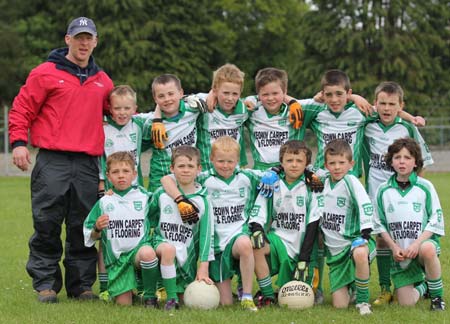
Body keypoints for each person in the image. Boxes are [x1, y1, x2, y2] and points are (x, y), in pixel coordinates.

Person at [8, 16, 114, 303]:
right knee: (48, 222)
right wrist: (18, 143)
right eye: (78, 37)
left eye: (88, 38)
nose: (83, 43)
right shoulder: (45, 73)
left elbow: (119, 115)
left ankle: (81, 286)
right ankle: (46, 284)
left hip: (87, 163)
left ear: (95, 41)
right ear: (67, 39)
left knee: (84, 225)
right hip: (52, 159)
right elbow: (21, 109)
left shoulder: (103, 81)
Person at [161, 136, 263, 311]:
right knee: (225, 303)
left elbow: (278, 173)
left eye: (230, 161)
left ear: (238, 161)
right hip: (215, 246)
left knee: (246, 244)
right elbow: (166, 179)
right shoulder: (203, 178)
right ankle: (229, 289)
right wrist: (179, 199)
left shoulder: (247, 177)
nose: (225, 165)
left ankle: (246, 295)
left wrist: (273, 174)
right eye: (220, 161)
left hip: (236, 238)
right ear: (211, 160)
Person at [363, 81, 434, 305]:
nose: (386, 108)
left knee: (411, 240)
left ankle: (424, 281)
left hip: (404, 195)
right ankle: (385, 289)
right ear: (375, 104)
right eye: (382, 103)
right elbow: (354, 105)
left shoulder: (407, 128)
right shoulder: (366, 124)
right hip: (377, 194)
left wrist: (416, 190)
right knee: (382, 241)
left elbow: (421, 161)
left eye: (392, 104)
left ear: (400, 105)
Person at [374, 138, 445, 311]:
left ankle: (437, 299)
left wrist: (416, 244)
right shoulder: (383, 189)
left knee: (428, 249)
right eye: (397, 157)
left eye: (407, 157)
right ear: (391, 161)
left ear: (415, 162)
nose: (402, 161)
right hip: (401, 254)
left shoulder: (425, 187)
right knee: (406, 303)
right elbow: (378, 223)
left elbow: (436, 218)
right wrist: (392, 247)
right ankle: (425, 286)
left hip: (420, 248)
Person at [249, 140, 322, 308]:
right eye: (289, 161)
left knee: (299, 295)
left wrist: (303, 258)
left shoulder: (312, 185)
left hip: (303, 244)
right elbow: (259, 209)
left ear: (307, 164)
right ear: (281, 162)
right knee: (256, 245)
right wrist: (257, 228)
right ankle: (268, 295)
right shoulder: (272, 182)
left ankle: (315, 288)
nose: (294, 165)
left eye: (299, 161)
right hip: (279, 239)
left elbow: (313, 222)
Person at [83, 152, 160, 307]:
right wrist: (97, 228)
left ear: (134, 174)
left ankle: (150, 297)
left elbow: (160, 211)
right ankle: (128, 291)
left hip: (138, 253)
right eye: (115, 172)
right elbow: (90, 234)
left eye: (125, 171)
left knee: (148, 253)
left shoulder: (144, 196)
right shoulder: (105, 202)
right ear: (108, 176)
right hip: (118, 261)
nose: (121, 176)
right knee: (123, 305)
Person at [97, 85, 152, 299]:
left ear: (135, 109)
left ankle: (137, 283)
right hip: (110, 191)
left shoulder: (139, 125)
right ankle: (104, 287)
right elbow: (99, 158)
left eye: (127, 107)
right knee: (107, 237)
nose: (122, 112)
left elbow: (160, 112)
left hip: (135, 190)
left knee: (137, 235)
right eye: (117, 108)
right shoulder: (102, 128)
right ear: (109, 109)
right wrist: (102, 185)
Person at [149, 146, 213, 308]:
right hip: (161, 248)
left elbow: (206, 236)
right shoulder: (161, 194)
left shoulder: (203, 200)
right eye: (181, 166)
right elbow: (146, 218)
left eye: (190, 166)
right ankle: (167, 299)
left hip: (186, 258)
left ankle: (174, 293)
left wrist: (203, 266)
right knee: (168, 249)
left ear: (199, 169)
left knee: (190, 300)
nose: (185, 170)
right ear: (172, 168)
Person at [321, 139, 375, 315]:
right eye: (332, 163)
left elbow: (365, 205)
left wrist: (365, 235)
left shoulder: (351, 181)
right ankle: (353, 286)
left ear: (351, 164)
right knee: (340, 306)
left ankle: (363, 301)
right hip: (335, 253)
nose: (337, 167)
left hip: (354, 241)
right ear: (326, 165)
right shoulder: (322, 181)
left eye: (342, 163)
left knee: (360, 253)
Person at [144, 74, 206, 192]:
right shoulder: (149, 122)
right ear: (155, 99)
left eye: (171, 94)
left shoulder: (193, 109)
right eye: (161, 96)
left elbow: (217, 92)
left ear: (181, 93)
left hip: (187, 174)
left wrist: (188, 98)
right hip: (160, 177)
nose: (167, 99)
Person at [194, 63, 249, 170]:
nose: (230, 98)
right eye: (226, 93)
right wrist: (211, 94)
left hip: (233, 171)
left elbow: (266, 95)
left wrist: (292, 102)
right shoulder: (202, 104)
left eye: (235, 94)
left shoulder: (244, 109)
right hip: (207, 172)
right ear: (215, 90)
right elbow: (176, 100)